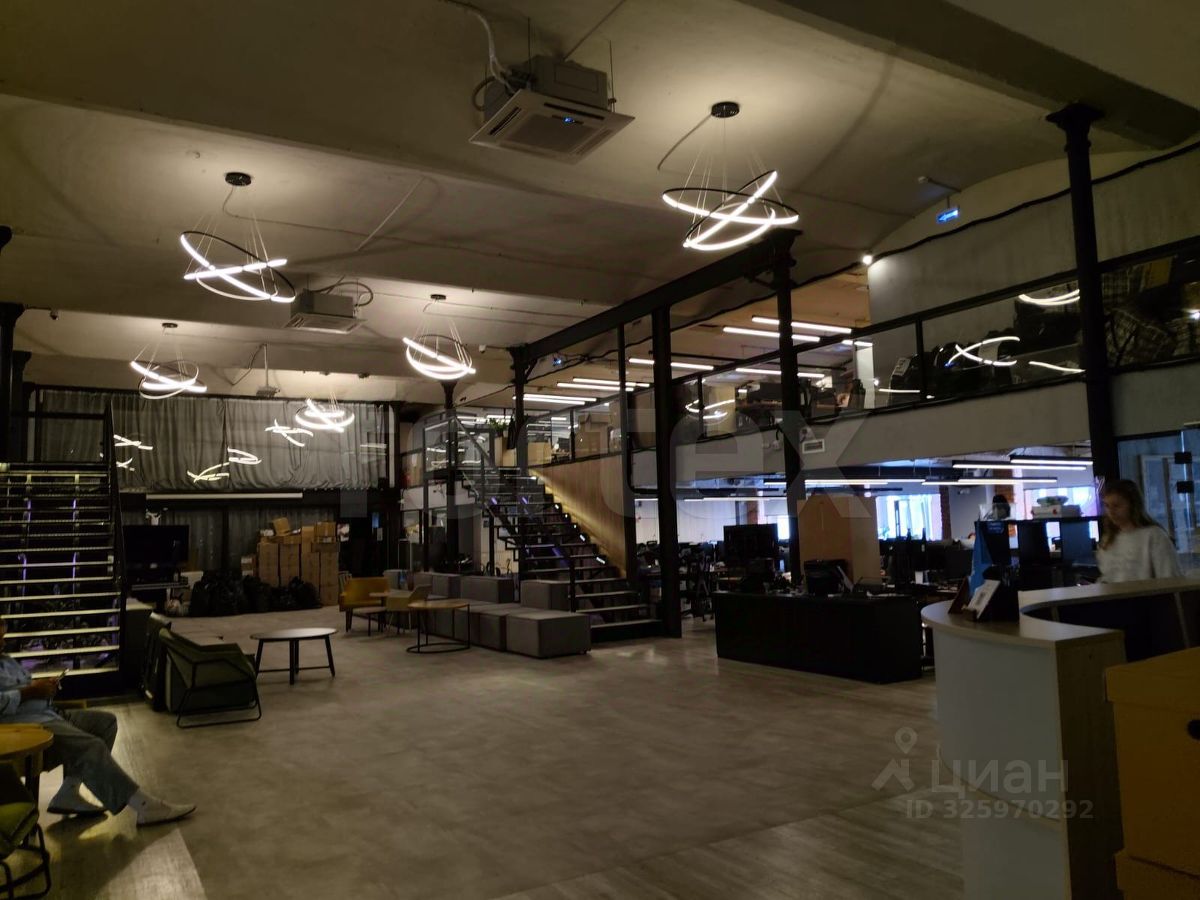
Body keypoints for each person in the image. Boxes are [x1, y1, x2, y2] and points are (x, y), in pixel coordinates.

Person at [0, 618, 195, 825]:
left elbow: (26, 686)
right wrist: (31, 692)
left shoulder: (6, 661)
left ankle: (69, 792)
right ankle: (144, 806)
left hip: (47, 713)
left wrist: (44, 688)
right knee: (91, 746)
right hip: (22, 726)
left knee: (105, 723)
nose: (3, 642)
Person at [1096, 479, 1183, 583]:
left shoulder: (1154, 536)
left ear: (1132, 505)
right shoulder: (1108, 540)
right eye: (1107, 506)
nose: (1111, 512)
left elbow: (1170, 577)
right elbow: (1108, 576)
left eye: (1117, 506)